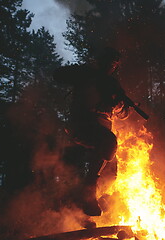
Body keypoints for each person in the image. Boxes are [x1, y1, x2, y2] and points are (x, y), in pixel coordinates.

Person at [53, 47, 129, 216]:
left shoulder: (113, 85)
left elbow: (125, 112)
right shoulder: (85, 74)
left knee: (111, 175)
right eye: (108, 61)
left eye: (114, 64)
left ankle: (86, 208)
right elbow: (57, 75)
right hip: (83, 124)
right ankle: (87, 194)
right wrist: (82, 74)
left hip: (102, 131)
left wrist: (118, 106)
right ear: (100, 61)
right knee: (109, 143)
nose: (111, 65)